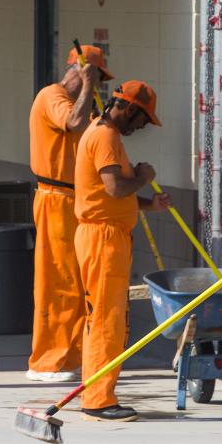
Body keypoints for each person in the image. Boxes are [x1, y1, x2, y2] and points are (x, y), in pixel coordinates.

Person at [74, 81, 170, 422]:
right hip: (103, 239)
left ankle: (99, 394)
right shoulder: (105, 137)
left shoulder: (102, 134)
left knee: (106, 318)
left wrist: (148, 204)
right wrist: (143, 177)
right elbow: (115, 188)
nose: (141, 128)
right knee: (105, 320)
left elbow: (109, 194)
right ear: (130, 109)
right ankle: (98, 399)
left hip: (105, 234)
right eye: (142, 120)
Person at [26, 45, 113, 382]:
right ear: (81, 69)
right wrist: (89, 85)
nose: (99, 85)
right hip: (55, 199)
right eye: (98, 76)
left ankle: (72, 353)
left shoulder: (84, 107)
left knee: (77, 283)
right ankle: (49, 361)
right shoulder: (52, 96)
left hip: (76, 200)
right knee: (58, 281)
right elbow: (74, 123)